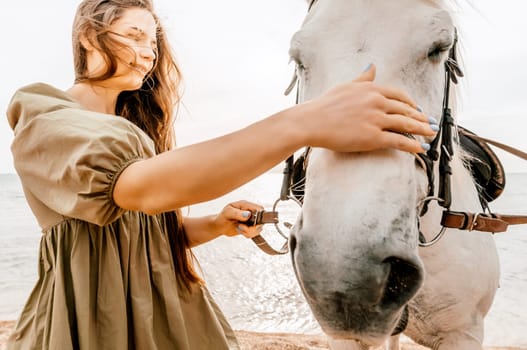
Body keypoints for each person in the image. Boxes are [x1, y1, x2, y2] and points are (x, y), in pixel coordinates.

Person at [5, 0, 437, 349]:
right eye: (134, 35)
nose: (148, 52)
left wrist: (216, 224)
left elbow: (142, 234)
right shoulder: (45, 114)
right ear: (87, 36)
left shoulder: (134, 133)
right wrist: (303, 123)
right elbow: (137, 192)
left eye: (153, 42)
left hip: (164, 312)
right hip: (93, 317)